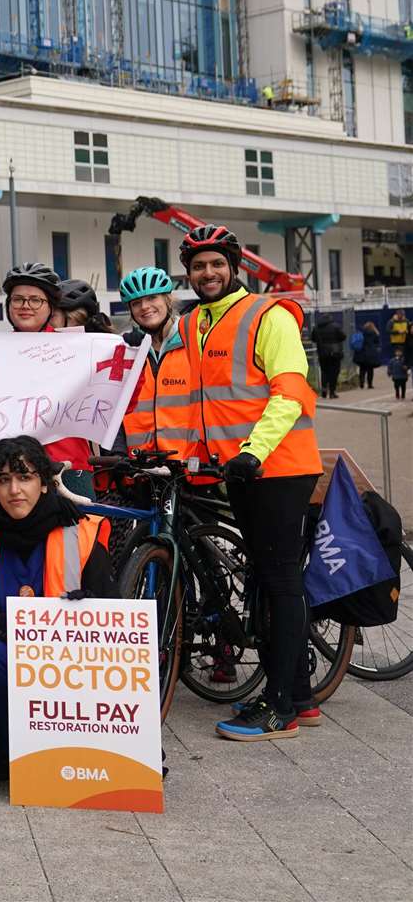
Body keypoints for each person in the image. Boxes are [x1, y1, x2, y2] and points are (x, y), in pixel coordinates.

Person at [173, 224, 322, 740]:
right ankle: (300, 697)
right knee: (265, 578)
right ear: (188, 274)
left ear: (234, 267)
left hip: (279, 467)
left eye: (216, 264)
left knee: (280, 582)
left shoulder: (267, 315)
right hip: (237, 470)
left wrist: (254, 451)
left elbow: (291, 391)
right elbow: (200, 403)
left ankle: (280, 707)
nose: (207, 273)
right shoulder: (194, 324)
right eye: (198, 266)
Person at [0, 436, 115, 769]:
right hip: (3, 655)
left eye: (25, 477)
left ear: (45, 485)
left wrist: (88, 604)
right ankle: (2, 756)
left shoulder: (82, 533)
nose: (14, 490)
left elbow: (113, 619)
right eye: (4, 480)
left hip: (66, 658)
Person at [0, 263, 94, 489]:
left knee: (79, 526)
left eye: (35, 300)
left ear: (51, 307)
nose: (26, 306)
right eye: (18, 299)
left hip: (69, 468)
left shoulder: (78, 350)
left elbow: (117, 404)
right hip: (10, 470)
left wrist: (127, 360)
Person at [117, 267, 190, 456]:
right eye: (136, 303)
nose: (144, 307)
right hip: (139, 466)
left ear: (168, 299)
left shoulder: (192, 340)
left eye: (152, 298)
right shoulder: (126, 348)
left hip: (189, 465)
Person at [313, 316, 347, 399]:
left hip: (322, 353)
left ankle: (324, 389)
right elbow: (343, 336)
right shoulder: (335, 326)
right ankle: (332, 392)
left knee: (324, 371)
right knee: (334, 372)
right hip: (334, 353)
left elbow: (313, 338)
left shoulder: (317, 328)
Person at [354, 320, 381, 390]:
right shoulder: (374, 333)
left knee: (362, 369)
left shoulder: (361, 333)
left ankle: (361, 383)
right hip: (371, 353)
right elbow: (377, 343)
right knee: (370, 370)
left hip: (361, 353)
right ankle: (370, 384)